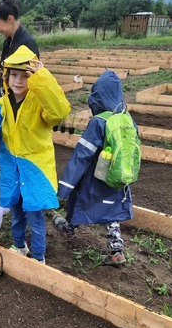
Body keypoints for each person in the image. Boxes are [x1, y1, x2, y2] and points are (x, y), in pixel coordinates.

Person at [0, 45, 71, 264]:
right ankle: (19, 245)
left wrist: (43, 79)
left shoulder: (40, 104)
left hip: (34, 168)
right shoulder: (1, 105)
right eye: (14, 75)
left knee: (35, 217)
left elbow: (59, 112)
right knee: (17, 212)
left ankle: (39, 256)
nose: (18, 81)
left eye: (25, 76)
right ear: (6, 77)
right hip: (12, 168)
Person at [53, 71, 134, 266]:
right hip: (116, 175)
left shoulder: (98, 122)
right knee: (113, 207)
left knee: (79, 198)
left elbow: (82, 155)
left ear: (98, 96)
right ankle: (116, 249)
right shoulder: (127, 119)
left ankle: (69, 228)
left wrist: (65, 186)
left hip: (94, 175)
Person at [0, 0, 39, 104]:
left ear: (10, 19)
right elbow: (5, 76)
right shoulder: (8, 41)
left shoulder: (25, 45)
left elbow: (24, 84)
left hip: (18, 107)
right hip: (6, 103)